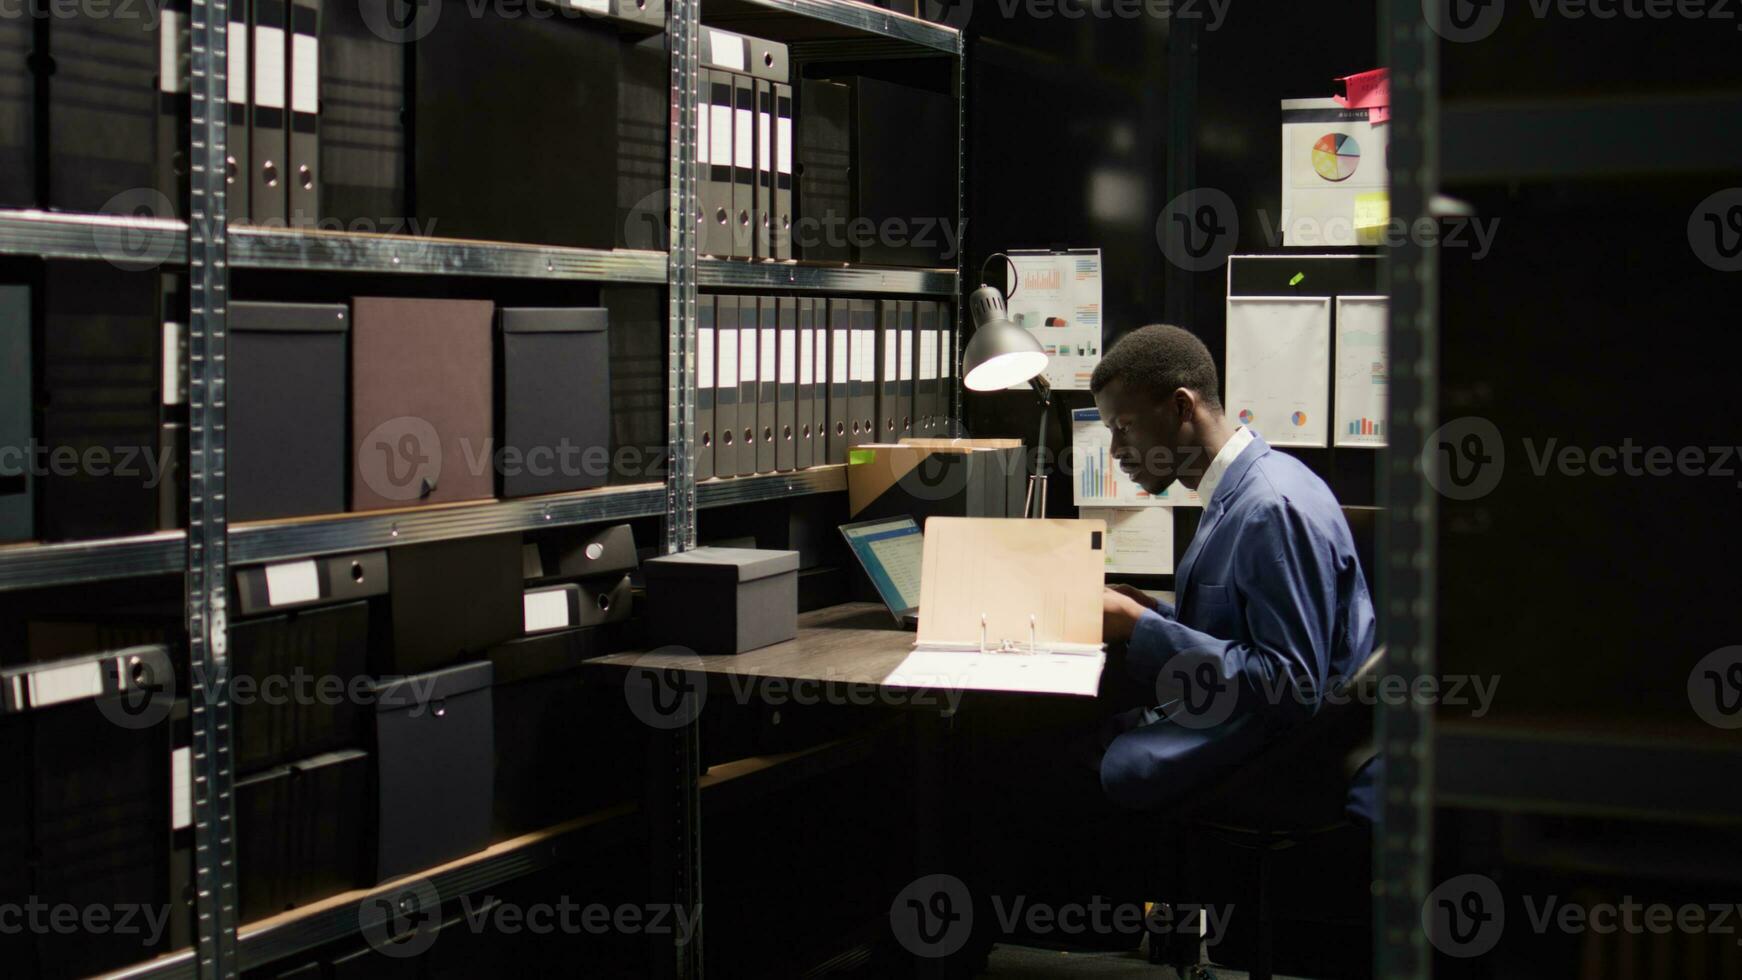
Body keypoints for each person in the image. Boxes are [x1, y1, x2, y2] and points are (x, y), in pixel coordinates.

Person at [1091, 324, 1377, 812]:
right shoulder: (1238, 491)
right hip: (1244, 723)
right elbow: (1236, 628)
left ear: (1182, 406)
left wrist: (1142, 628)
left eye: (1124, 427)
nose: (1115, 451)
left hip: (1279, 751)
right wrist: (1150, 613)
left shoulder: (1271, 507)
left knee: (1086, 763)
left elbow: (1290, 684)